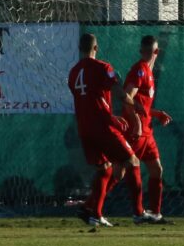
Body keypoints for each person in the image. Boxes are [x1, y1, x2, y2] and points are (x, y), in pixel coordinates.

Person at [68, 33, 148, 227]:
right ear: (96, 48)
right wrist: (135, 105)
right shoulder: (103, 67)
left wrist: (111, 116)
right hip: (102, 127)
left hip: (84, 128)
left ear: (80, 48)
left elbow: (91, 101)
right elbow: (119, 93)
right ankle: (139, 213)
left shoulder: (73, 72)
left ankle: (93, 213)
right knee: (132, 161)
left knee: (106, 169)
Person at [107, 35, 173, 224]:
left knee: (156, 169)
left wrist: (156, 113)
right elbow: (127, 96)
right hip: (136, 132)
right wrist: (136, 121)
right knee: (120, 171)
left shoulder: (149, 72)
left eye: (148, 52)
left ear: (155, 52)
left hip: (147, 132)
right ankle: (96, 205)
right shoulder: (140, 70)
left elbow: (140, 104)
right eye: (143, 52)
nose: (145, 55)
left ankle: (155, 213)